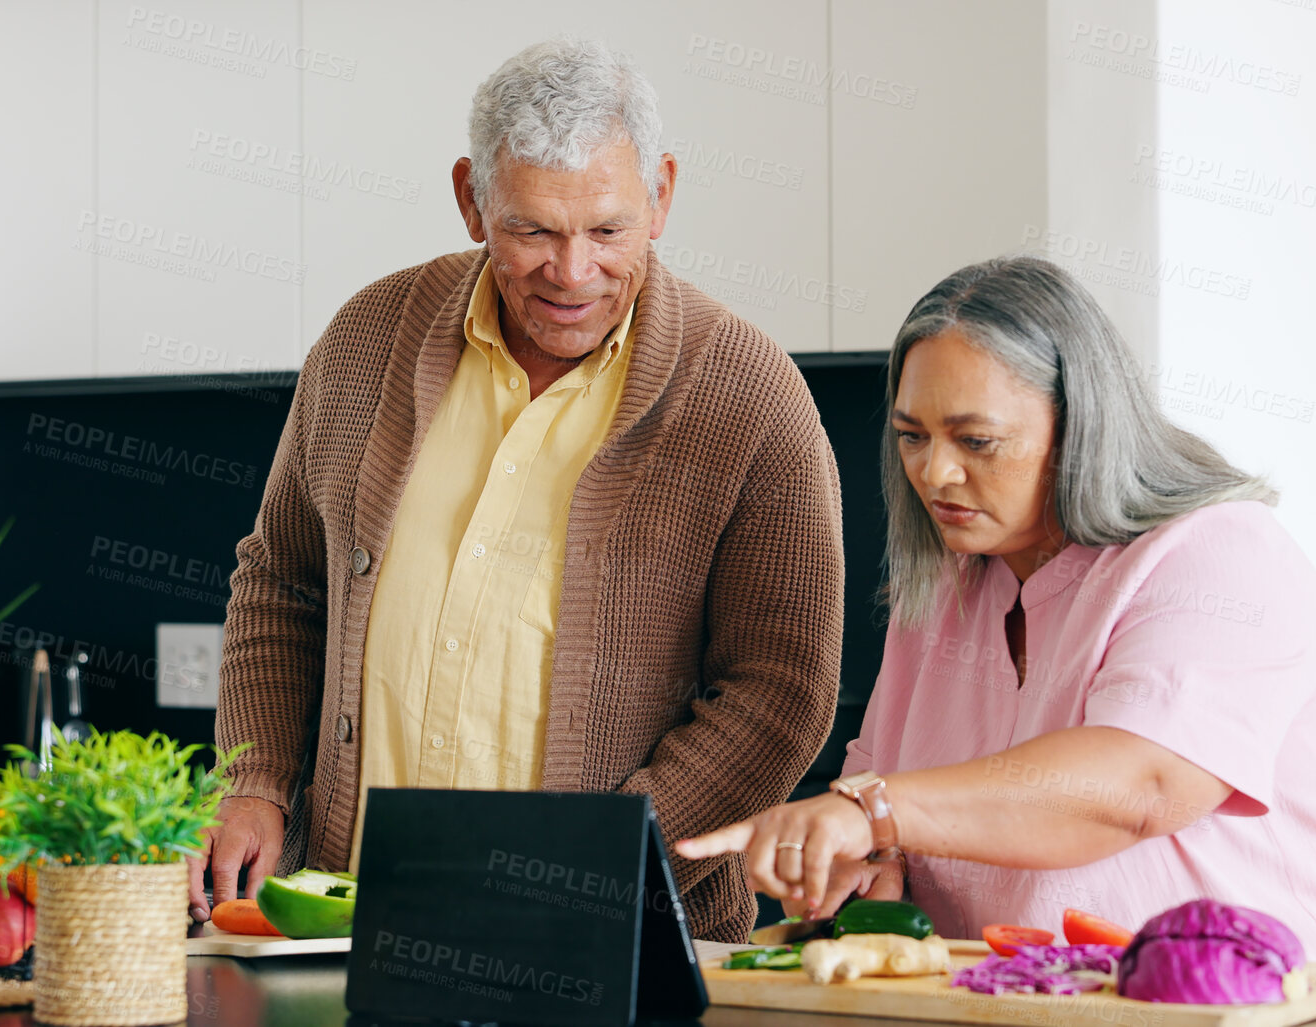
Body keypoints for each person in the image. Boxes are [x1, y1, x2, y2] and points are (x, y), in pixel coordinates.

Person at [678, 255, 1316, 993]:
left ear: (1081, 426)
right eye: (911, 437)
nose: (935, 472)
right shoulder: (942, 595)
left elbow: (1135, 786)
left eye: (976, 439)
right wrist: (861, 866)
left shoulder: (1220, 554)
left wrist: (872, 811)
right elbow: (896, 820)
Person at [192, 38, 844, 942]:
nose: (572, 273)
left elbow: (780, 688)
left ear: (661, 195)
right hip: (351, 925)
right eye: (533, 230)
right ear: (471, 199)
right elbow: (282, 582)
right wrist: (254, 783)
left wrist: (595, 859)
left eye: (607, 230)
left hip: (613, 940)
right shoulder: (365, 341)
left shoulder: (748, 395)